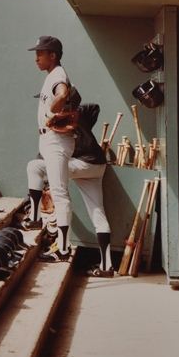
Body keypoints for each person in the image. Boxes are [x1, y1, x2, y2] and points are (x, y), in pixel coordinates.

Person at [26, 103, 115, 275]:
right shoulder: (78, 114)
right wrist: (80, 117)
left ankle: (38, 221)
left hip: (81, 163)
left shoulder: (54, 122)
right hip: (97, 165)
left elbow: (50, 155)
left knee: (34, 167)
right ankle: (106, 267)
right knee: (98, 213)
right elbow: (95, 107)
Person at [28, 36, 76, 262]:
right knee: (34, 168)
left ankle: (63, 250)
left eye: (41, 52)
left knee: (59, 194)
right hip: (49, 140)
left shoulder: (58, 74)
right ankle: (35, 218)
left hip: (56, 140)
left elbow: (63, 94)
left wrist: (52, 109)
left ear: (53, 55)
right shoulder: (51, 75)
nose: (37, 57)